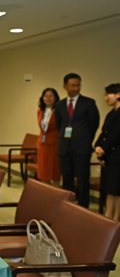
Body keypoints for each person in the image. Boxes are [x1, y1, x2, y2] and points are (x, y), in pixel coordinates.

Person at [54, 73, 100, 208]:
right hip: (64, 147)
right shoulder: (60, 105)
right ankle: (67, 206)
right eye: (73, 85)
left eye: (78, 85)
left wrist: (84, 139)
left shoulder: (88, 103)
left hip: (82, 148)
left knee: (82, 180)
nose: (76, 88)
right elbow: (59, 125)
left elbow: (94, 124)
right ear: (65, 86)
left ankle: (83, 207)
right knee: (67, 179)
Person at [95, 83, 120, 222]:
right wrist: (97, 146)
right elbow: (104, 132)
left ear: (118, 94)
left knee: (117, 190)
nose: (105, 98)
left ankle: (115, 220)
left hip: (117, 157)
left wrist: (104, 149)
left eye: (108, 94)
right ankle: (108, 217)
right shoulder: (112, 113)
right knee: (110, 189)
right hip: (109, 157)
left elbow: (116, 135)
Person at [37, 88, 61, 183]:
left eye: (51, 96)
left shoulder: (58, 111)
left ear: (55, 98)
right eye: (46, 96)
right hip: (42, 144)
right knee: (44, 172)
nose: (48, 98)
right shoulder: (40, 110)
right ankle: (45, 195)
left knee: (55, 172)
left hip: (55, 144)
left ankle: (56, 196)